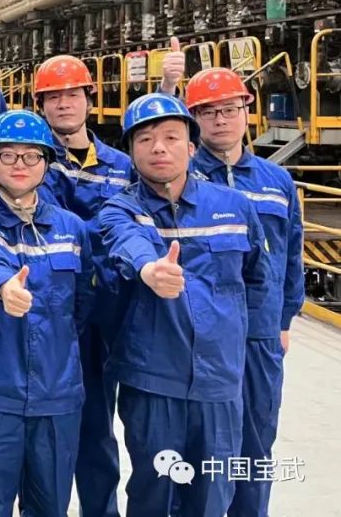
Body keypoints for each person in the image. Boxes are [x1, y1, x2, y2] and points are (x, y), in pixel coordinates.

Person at [0, 14, 132, 517]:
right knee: (1, 481)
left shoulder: (119, 166)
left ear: (88, 99)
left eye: (72, 94)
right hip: (33, 314)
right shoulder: (36, 154)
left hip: (84, 311)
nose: (63, 103)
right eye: (52, 96)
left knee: (95, 431)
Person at [98, 93, 271, 517]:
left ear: (192, 147)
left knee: (211, 496)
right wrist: (150, 269)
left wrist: (234, 342)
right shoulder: (121, 209)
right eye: (145, 140)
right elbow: (126, 241)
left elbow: (258, 280)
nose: (159, 148)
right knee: (153, 493)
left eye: (171, 137)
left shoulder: (234, 207)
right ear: (131, 152)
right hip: (153, 380)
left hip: (219, 382)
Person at [164, 66, 304, 517]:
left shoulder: (276, 181)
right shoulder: (179, 177)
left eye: (229, 109)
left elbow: (291, 254)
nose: (220, 119)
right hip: (198, 336)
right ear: (193, 119)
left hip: (259, 335)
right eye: (208, 112)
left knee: (255, 444)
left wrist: (284, 320)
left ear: (247, 109)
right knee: (196, 449)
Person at [0, 109, 93, 517]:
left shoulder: (72, 228)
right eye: (7, 155)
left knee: (51, 506)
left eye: (31, 155)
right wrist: (4, 284)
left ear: (46, 163)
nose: (19, 164)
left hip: (57, 396)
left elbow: (84, 303)